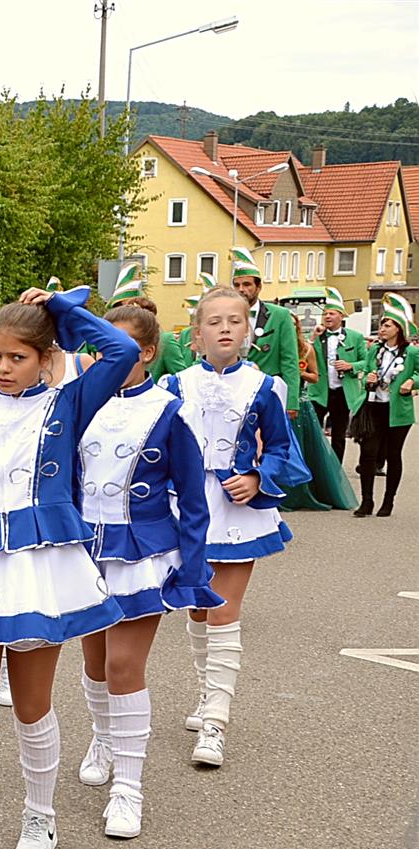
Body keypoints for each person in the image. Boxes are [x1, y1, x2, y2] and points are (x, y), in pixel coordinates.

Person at [0, 285, 141, 849]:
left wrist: (61, 309)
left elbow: (123, 353)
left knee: (31, 705)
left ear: (46, 357)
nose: (3, 367)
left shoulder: (65, 404)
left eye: (18, 357)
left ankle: (40, 816)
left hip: (38, 569)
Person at [73, 305, 222, 840]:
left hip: (142, 550)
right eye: (101, 349)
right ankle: (103, 738)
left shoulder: (169, 411)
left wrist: (194, 569)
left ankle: (128, 789)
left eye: (123, 350)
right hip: (85, 549)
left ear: (149, 353)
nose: (109, 360)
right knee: (94, 663)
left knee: (123, 666)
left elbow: (194, 499)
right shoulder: (80, 403)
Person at [163, 286, 309, 768]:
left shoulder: (265, 386)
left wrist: (258, 477)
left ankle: (216, 721)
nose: (225, 328)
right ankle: (207, 693)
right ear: (196, 335)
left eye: (235, 320)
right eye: (214, 321)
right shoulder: (175, 385)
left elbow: (284, 449)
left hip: (237, 508)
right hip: (186, 508)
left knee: (224, 610)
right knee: (197, 608)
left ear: (248, 331)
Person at [281, 311, 357, 511]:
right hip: (277, 401)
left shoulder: (306, 348)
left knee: (309, 446)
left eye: (292, 325)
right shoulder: (276, 346)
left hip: (301, 402)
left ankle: (307, 488)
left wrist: (300, 373)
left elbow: (315, 376)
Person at [352, 295, 419, 517]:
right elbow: (366, 372)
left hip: (397, 410)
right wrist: (368, 378)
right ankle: (367, 501)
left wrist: (412, 382)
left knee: (393, 454)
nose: (382, 329)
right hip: (374, 407)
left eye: (387, 325)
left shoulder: (412, 352)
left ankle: (388, 501)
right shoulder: (375, 349)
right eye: (381, 325)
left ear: (398, 328)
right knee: (367, 453)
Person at [229, 247, 302, 416]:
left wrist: (291, 400)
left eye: (247, 284)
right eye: (237, 285)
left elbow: (289, 359)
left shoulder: (280, 315)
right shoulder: (226, 314)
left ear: (259, 286)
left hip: (268, 391)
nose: (241, 289)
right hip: (233, 392)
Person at [309, 287, 367, 462]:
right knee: (313, 432)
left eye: (332, 313)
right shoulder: (318, 337)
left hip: (342, 392)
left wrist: (351, 366)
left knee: (339, 436)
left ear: (341, 316)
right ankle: (316, 465)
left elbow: (367, 362)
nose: (327, 317)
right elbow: (303, 356)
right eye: (325, 314)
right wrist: (312, 338)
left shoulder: (355, 337)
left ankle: (335, 468)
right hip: (319, 391)